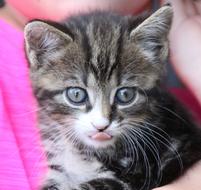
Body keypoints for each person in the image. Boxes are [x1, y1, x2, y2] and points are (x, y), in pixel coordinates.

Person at [0, 0, 200, 189]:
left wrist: (196, 63)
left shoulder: (176, 110)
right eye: (77, 95)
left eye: (125, 95)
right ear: (41, 54)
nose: (102, 120)